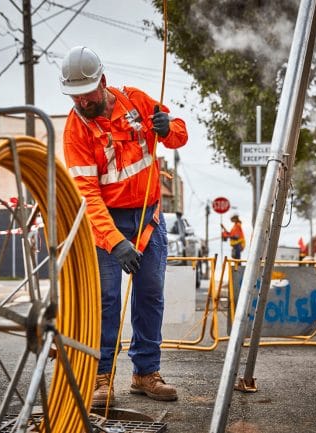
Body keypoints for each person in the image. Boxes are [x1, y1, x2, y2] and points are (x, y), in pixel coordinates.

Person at [60, 46, 188, 406]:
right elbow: (87, 195)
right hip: (107, 222)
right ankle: (101, 376)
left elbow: (179, 134)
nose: (82, 103)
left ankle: (145, 373)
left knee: (150, 294)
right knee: (106, 299)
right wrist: (114, 241)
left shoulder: (136, 101)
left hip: (148, 217)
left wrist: (168, 127)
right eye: (75, 97)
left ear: (102, 81)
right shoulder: (76, 130)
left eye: (88, 95)